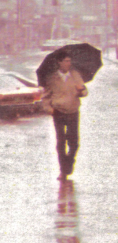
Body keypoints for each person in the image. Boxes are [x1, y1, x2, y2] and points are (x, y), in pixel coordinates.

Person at [42, 50, 88, 180]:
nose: (69, 63)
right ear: (59, 62)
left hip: (73, 111)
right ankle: (63, 170)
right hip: (58, 112)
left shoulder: (75, 75)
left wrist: (82, 91)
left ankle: (69, 163)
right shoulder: (51, 78)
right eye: (66, 61)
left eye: (70, 61)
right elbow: (45, 96)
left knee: (74, 142)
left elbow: (84, 92)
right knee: (61, 142)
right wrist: (49, 109)